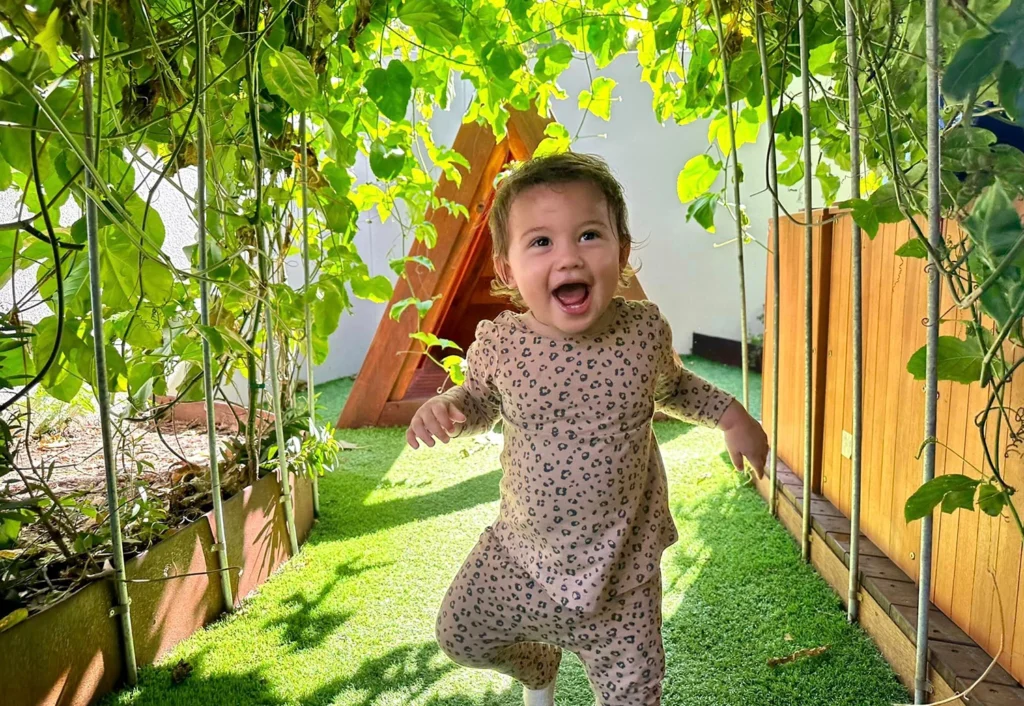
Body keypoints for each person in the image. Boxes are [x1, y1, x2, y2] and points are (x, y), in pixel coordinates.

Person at [406, 152, 769, 706]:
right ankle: (539, 671)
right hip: (522, 556)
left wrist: (732, 416)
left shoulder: (642, 332)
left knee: (634, 695)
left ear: (622, 253)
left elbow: (674, 388)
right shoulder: (503, 344)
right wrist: (448, 407)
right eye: (541, 242)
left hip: (623, 572)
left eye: (590, 235)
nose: (568, 257)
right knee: (461, 635)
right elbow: (478, 400)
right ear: (507, 269)